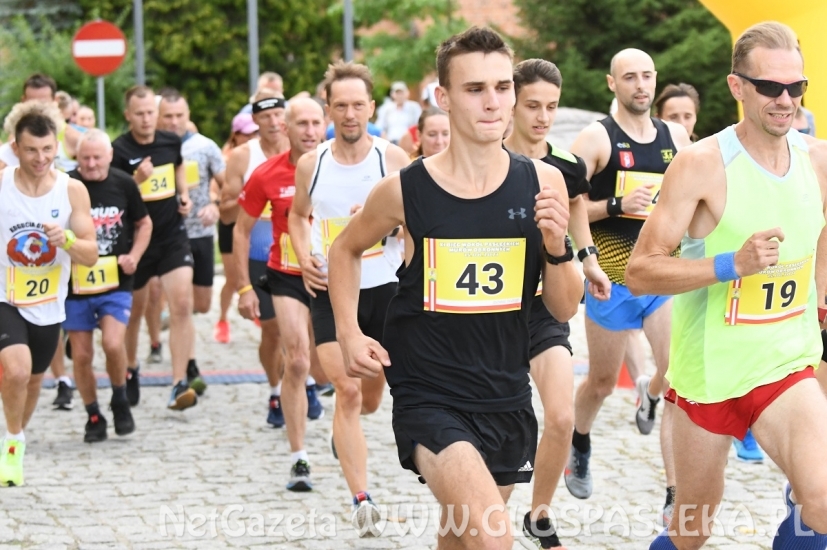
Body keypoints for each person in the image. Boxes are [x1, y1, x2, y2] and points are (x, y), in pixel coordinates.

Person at [328, 28, 583, 546]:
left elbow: (561, 306)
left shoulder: (543, 181)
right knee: (493, 536)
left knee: (461, 536)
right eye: (474, 90)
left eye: (502, 87)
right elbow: (344, 249)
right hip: (430, 391)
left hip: (504, 390)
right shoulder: (406, 189)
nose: (493, 103)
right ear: (443, 98)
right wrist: (349, 333)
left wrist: (557, 245)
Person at [626, 21, 827, 550]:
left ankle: (798, 522)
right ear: (738, 87)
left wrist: (820, 296)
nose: (785, 100)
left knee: (823, 500)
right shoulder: (702, 165)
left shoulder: (818, 160)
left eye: (796, 87)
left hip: (786, 362)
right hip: (709, 375)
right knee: (692, 530)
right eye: (770, 88)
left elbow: (821, 231)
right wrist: (728, 266)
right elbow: (641, 269)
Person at [568, 48, 691, 526]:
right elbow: (570, 202)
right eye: (629, 78)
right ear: (611, 83)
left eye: (647, 76)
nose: (640, 85)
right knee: (600, 382)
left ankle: (675, 490)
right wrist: (617, 203)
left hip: (661, 275)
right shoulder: (597, 137)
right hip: (611, 280)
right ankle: (580, 439)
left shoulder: (675, 137)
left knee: (675, 375)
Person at [288, 60, 410, 535]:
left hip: (385, 286)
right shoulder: (311, 164)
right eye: (341, 105)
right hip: (332, 289)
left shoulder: (393, 159)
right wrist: (304, 256)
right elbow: (299, 216)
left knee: (373, 393)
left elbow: (415, 225)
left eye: (359, 104)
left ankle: (349, 431)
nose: (350, 113)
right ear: (328, 109)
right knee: (349, 388)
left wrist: (384, 221)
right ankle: (362, 499)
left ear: (372, 107)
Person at [503, 58, 612, 549]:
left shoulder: (566, 165)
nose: (543, 116)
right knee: (504, 424)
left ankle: (539, 514)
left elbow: (576, 222)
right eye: (533, 106)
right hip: (492, 311)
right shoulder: (489, 161)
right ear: (511, 104)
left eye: (551, 106)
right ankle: (479, 520)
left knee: (562, 417)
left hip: (547, 305)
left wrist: (588, 262)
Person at [0, 111, 98, 486]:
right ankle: (12, 446)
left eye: (47, 149)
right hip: (5, 297)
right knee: (18, 370)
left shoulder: (71, 190)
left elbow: (90, 254)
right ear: (16, 149)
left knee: (34, 379)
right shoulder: (2, 184)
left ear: (57, 146)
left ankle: (14, 436)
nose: (40, 158)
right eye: (31, 151)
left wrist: (68, 240)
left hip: (48, 304)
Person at [236, 97, 326, 491]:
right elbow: (240, 231)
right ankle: (299, 457)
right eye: (300, 124)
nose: (309, 131)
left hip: (332, 275)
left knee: (333, 370)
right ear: (284, 128)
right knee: (298, 359)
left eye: (315, 123)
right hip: (286, 273)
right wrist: (242, 286)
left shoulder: (342, 169)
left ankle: (341, 418)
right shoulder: (265, 174)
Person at [111, 85, 198, 411]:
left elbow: (177, 167)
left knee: (182, 304)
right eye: (140, 114)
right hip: (135, 243)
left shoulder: (170, 141)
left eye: (151, 113)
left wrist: (183, 195)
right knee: (133, 313)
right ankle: (131, 368)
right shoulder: (118, 149)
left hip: (172, 236)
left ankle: (178, 384)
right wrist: (136, 179)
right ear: (128, 116)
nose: (147, 119)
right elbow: (114, 197)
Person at [64, 129, 152, 442]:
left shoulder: (123, 183)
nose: (90, 164)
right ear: (77, 157)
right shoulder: (66, 184)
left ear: (110, 156)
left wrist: (135, 256)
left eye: (97, 158)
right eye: (85, 158)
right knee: (82, 355)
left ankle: (119, 398)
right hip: (77, 285)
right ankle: (93, 414)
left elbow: (143, 223)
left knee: (114, 344)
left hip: (116, 280)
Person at [221, 89, 301, 426]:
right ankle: (274, 388)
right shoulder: (242, 156)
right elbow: (227, 217)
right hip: (259, 252)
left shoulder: (304, 153)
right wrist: (252, 198)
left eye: (278, 115)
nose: (273, 122)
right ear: (254, 120)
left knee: (302, 332)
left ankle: (303, 384)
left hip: (298, 253)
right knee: (272, 332)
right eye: (265, 116)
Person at [157, 90, 225, 393]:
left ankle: (180, 335)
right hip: (169, 237)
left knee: (200, 303)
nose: (173, 122)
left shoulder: (204, 147)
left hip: (201, 233)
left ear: (188, 116)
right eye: (167, 116)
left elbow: (229, 189)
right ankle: (188, 361)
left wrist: (216, 206)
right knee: (181, 304)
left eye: (179, 116)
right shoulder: (150, 148)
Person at [215, 113, 259, 344]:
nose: (253, 137)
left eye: (255, 132)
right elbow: (217, 192)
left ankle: (261, 310)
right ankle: (222, 319)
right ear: (236, 135)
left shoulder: (263, 156)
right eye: (247, 133)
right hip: (231, 225)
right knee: (233, 279)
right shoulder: (228, 158)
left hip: (255, 226)